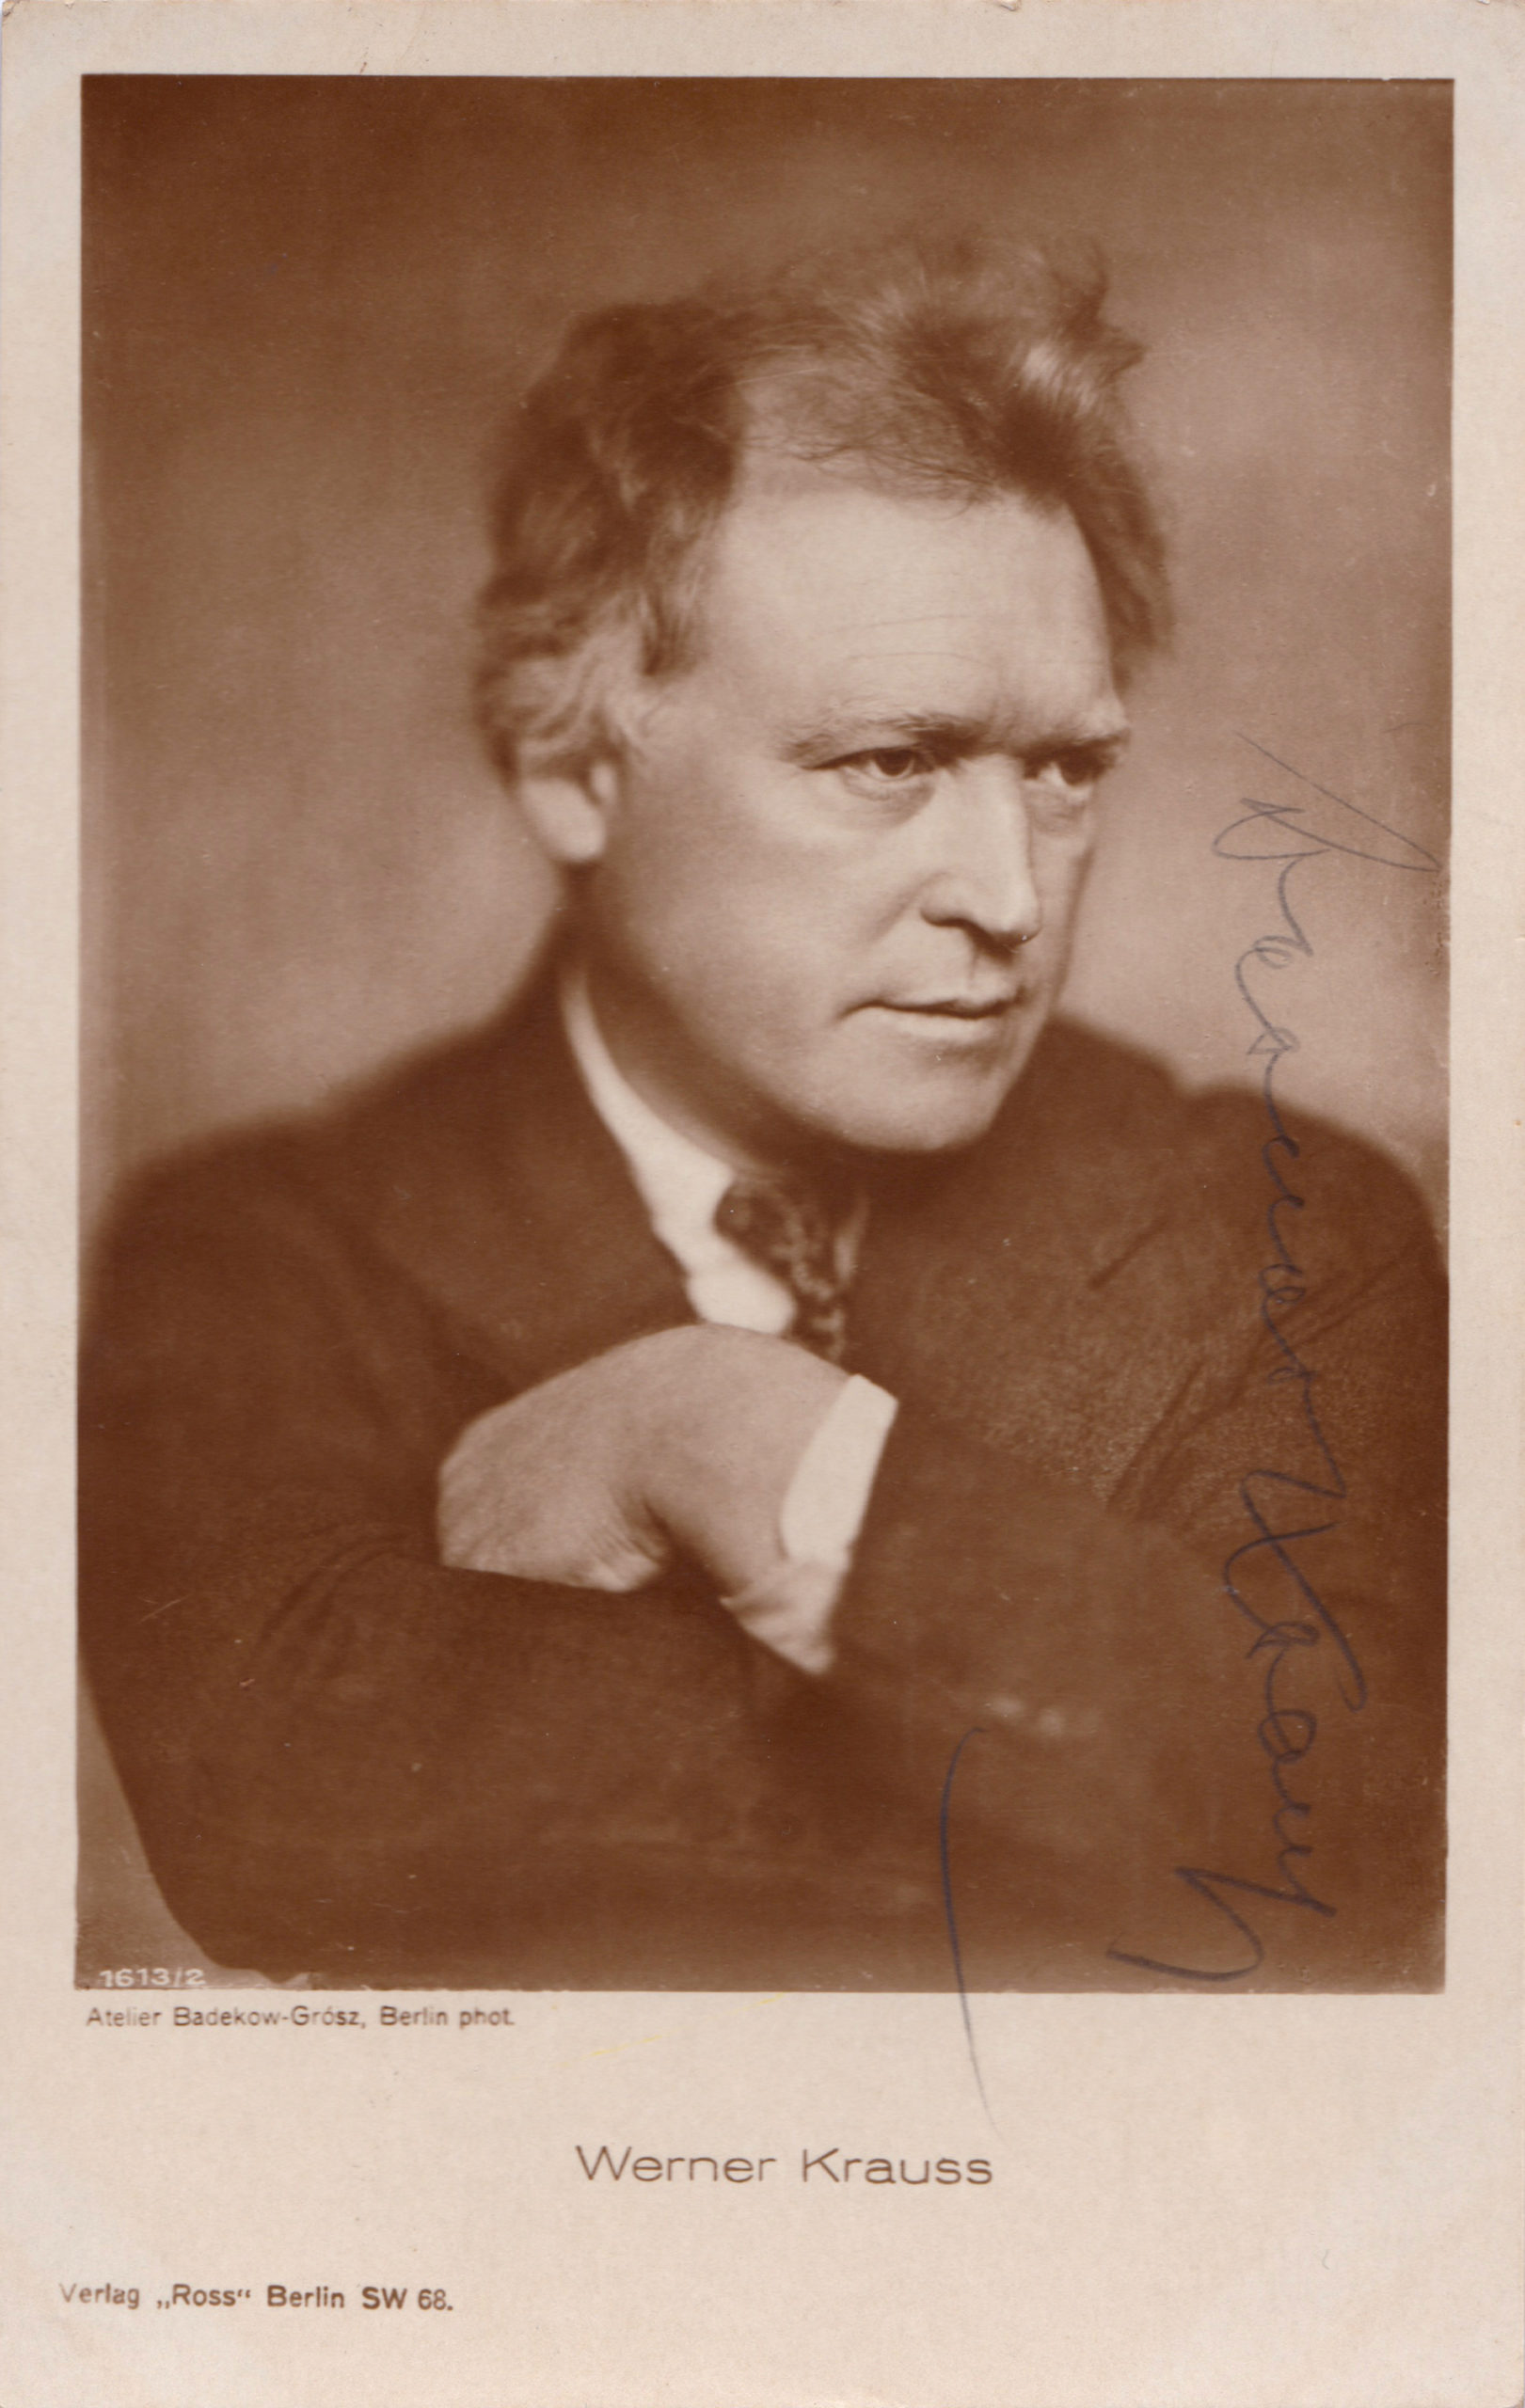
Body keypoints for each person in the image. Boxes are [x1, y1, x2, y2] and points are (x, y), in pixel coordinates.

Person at [80, 239, 1445, 1993]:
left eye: (1063, 769)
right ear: (573, 769)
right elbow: (283, 1815)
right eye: (888, 762)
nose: (1009, 897)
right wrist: (1091, 1767)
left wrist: (730, 1434)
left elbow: (1342, 1828)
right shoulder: (255, 1261)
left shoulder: (1287, 1228)